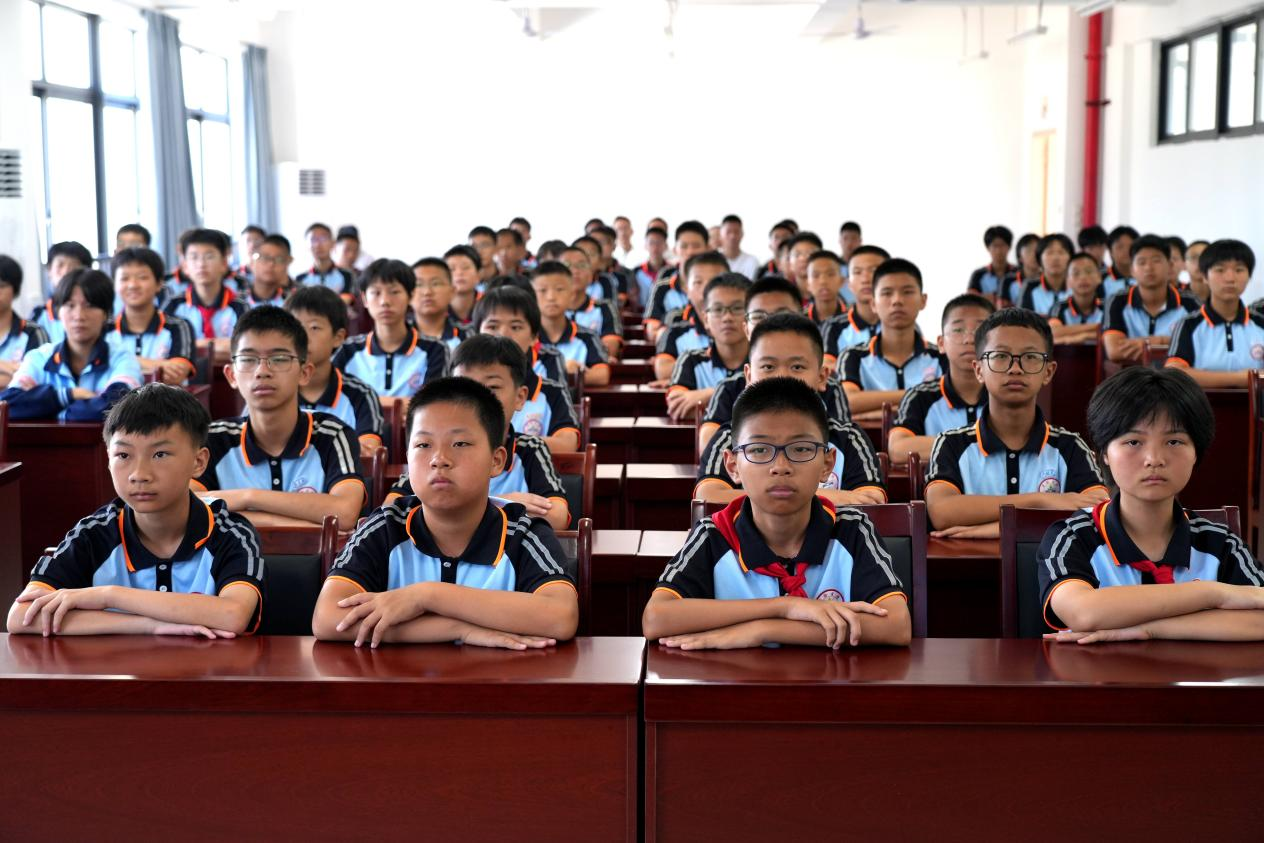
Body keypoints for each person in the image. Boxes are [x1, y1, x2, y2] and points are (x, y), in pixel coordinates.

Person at [641, 377, 910, 650]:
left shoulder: (852, 529)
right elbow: (656, 618)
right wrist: (785, 607)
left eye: (801, 449)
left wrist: (763, 630)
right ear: (732, 466)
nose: (780, 466)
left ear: (827, 464)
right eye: (759, 450)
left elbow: (896, 625)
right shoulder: (714, 535)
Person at [312, 377, 579, 649]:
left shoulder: (523, 533)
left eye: (460, 443)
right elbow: (327, 618)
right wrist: (458, 629)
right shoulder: (386, 526)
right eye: (423, 445)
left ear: (496, 460)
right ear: (407, 458)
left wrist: (427, 596)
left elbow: (561, 616)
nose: (439, 459)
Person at [6, 384, 264, 638]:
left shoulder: (230, 531)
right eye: (123, 455)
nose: (139, 474)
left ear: (199, 462)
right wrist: (149, 625)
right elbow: (21, 616)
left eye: (160, 454)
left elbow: (233, 615)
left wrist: (109, 596)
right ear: (108, 461)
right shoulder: (93, 533)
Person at [1039, 366, 1264, 643]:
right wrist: (1213, 593)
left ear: (1196, 452)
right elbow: (1082, 612)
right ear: (1104, 453)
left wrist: (1151, 629)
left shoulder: (1221, 543)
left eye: (1174, 441)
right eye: (1134, 441)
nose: (1154, 459)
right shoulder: (1074, 535)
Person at [925, 308, 1109, 538]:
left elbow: (1098, 511)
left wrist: (995, 529)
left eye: (1030, 357)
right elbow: (941, 512)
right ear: (979, 370)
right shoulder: (951, 444)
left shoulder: (1070, 446)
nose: (1015, 368)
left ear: (1048, 372)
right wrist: (1040, 501)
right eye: (1001, 356)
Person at [194, 306, 366, 529]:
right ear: (231, 375)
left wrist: (250, 499)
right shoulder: (214, 438)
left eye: (279, 359)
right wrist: (253, 501)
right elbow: (188, 507)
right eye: (248, 359)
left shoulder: (332, 434)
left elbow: (345, 512)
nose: (262, 371)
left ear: (305, 373)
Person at [385, 336, 570, 532]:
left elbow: (558, 516)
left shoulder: (529, 449)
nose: (477, 399)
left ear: (520, 397)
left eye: (493, 387)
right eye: (465, 387)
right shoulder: (435, 450)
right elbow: (390, 510)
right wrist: (500, 504)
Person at [696, 318, 885, 507]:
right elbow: (708, 496)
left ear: (822, 377)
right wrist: (823, 496)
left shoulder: (849, 438)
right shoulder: (730, 436)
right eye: (768, 367)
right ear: (749, 376)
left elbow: (872, 501)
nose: (782, 376)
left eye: (797, 367)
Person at [0, 268, 141, 420]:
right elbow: (8, 405)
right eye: (70, 305)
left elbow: (118, 407)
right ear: (58, 312)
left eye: (89, 305)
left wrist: (57, 412)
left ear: (106, 313)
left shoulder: (122, 359)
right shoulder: (39, 357)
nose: (79, 316)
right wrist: (68, 395)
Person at [888, 294, 994, 465]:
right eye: (958, 330)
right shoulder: (920, 396)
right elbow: (898, 449)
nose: (969, 339)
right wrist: (977, 444)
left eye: (980, 331)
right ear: (941, 343)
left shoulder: (1007, 393)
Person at [472, 286, 580, 454]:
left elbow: (567, 444)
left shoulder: (552, 391)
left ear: (534, 337)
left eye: (515, 327)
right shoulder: (461, 388)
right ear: (476, 334)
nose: (503, 335)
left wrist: (505, 442)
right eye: (492, 326)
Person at [285, 285, 385, 459]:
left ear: (338, 337)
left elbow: (369, 453)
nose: (302, 336)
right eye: (295, 326)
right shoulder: (271, 389)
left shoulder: (360, 394)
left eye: (314, 327)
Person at [838, 258, 941, 416]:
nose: (897, 301)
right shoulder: (853, 356)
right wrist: (920, 397)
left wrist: (875, 410)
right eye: (887, 293)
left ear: (923, 300)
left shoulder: (941, 356)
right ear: (873, 304)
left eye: (907, 292)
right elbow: (848, 402)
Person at [333, 259, 449, 398]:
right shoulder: (348, 350)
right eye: (376, 293)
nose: (385, 301)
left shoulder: (434, 349)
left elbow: (431, 404)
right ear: (364, 299)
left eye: (394, 292)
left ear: (410, 296)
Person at [1165, 239, 1264, 387]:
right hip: (1200, 402)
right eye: (1220, 270)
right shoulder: (1188, 325)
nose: (1230, 278)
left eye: (1239, 270)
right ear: (1205, 276)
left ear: (1249, 276)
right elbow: (1174, 374)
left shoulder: (1260, 323)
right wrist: (1241, 378)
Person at [665, 273, 750, 422]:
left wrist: (708, 395)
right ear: (705, 319)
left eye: (737, 308)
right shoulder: (691, 360)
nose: (727, 317)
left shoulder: (765, 362)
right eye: (718, 309)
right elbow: (678, 407)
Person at [1101, 234, 1196, 364]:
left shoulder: (1189, 302)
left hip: (1174, 374)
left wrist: (1157, 341)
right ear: (1132, 270)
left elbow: (1199, 346)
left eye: (1156, 261)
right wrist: (1172, 343)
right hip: (1130, 374)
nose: (1149, 268)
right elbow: (1114, 351)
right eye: (1141, 262)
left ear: (1170, 265)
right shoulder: (1118, 301)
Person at [107, 247, 196, 385]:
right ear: (114, 284)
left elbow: (178, 373)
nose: (133, 285)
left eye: (142, 277)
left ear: (159, 284)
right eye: (124, 278)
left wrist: (116, 360)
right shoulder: (105, 329)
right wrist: (160, 365)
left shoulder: (178, 326)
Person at [530, 261, 610, 387]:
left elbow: (602, 375)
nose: (551, 297)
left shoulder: (587, 336)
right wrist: (563, 371)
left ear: (572, 294)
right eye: (543, 290)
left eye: (559, 289)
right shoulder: (525, 337)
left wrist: (574, 373)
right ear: (532, 296)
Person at [163, 228, 249, 344]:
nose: (201, 264)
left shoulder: (240, 306)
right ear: (185, 266)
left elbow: (246, 346)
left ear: (224, 263)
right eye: (194, 257)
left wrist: (193, 345)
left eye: (209, 257)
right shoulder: (174, 305)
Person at [652, 251, 727, 382]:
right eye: (698, 282)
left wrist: (685, 376)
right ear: (686, 289)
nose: (706, 289)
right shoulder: (674, 332)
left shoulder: (746, 327)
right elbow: (663, 371)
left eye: (714, 281)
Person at [821, 245, 890, 363]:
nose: (865, 279)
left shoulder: (903, 323)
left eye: (873, 270)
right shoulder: (834, 327)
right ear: (849, 283)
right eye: (857, 272)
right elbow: (827, 367)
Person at [643, 220, 709, 342]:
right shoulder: (661, 287)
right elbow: (652, 332)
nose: (690, 252)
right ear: (674, 250)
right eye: (684, 246)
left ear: (707, 248)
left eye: (696, 246)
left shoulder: (717, 287)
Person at [560, 245, 622, 360]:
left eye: (581, 265)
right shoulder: (546, 310)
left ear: (590, 274)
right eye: (567, 265)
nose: (575, 271)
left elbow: (611, 347)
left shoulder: (604, 307)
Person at [0, 255, 50, 389]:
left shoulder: (34, 333)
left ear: (15, 290)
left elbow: (38, 381)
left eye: (1, 286)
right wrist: (8, 369)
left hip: (17, 402)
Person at [30, 240, 93, 344]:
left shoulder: (98, 310)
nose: (65, 272)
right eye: (60, 265)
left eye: (73, 266)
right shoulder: (39, 316)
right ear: (49, 271)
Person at [411, 257, 469, 351]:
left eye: (435, 284)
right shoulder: (396, 338)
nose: (427, 292)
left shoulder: (467, 336)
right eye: (419, 284)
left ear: (452, 291)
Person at [1048, 253, 1106, 344]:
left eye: (1089, 272)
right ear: (1068, 281)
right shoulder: (1059, 306)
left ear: (1099, 277)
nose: (1083, 277)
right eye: (1076, 273)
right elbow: (1053, 332)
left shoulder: (1108, 306)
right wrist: (1097, 328)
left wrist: (1070, 335)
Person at [1017, 234, 1073, 316]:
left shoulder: (1077, 285)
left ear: (1070, 258)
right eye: (1049, 253)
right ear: (1039, 258)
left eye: (1061, 252)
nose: (1055, 258)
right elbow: (1021, 319)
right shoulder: (1030, 287)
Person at [296, 223, 355, 295]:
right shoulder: (300, 279)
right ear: (307, 245)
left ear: (333, 243)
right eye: (313, 240)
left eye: (323, 239)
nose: (318, 244)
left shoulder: (346, 275)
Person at [241, 234, 292, 308]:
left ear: (287, 264)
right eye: (265, 257)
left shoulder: (292, 302)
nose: (271, 263)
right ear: (252, 262)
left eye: (279, 259)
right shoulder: (236, 302)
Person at [967, 225, 1016, 302]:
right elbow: (970, 300)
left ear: (1009, 247)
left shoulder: (1017, 273)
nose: (999, 250)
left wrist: (988, 297)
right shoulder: (978, 275)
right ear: (988, 248)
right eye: (995, 246)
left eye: (1002, 245)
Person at [444, 244, 483, 325]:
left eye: (465, 267)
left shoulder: (489, 305)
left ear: (478, 274)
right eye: (452, 269)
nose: (459, 273)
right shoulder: (435, 308)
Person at [718, 214, 759, 279]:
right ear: (720, 234)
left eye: (736, 232)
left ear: (742, 234)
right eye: (728, 232)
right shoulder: (714, 260)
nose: (732, 236)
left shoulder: (752, 261)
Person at [1104, 225, 1139, 297]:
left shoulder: (1145, 275)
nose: (1126, 251)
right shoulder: (1100, 278)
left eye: (1131, 246)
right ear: (1110, 252)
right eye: (1120, 247)